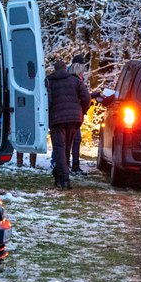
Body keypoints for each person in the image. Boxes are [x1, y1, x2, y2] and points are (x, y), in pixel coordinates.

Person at [46, 60, 90, 189]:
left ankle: (64, 178)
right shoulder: (75, 80)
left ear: (54, 69)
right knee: (66, 148)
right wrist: (81, 111)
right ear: (66, 68)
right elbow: (86, 97)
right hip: (74, 119)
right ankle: (59, 175)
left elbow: (47, 101)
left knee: (59, 148)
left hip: (57, 119)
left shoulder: (49, 82)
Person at [66, 54, 89, 174]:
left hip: (67, 114)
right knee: (74, 140)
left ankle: (68, 165)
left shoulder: (68, 79)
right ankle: (72, 165)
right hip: (75, 115)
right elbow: (84, 97)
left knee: (71, 141)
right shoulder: (77, 81)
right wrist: (84, 110)